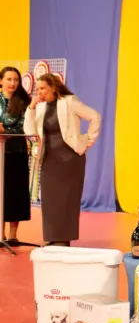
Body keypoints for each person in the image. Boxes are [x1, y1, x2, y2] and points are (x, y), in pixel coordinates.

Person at [24, 73, 101, 246]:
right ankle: (52, 237)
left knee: (67, 200)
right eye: (37, 89)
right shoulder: (40, 107)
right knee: (50, 201)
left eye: (43, 88)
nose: (39, 92)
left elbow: (95, 117)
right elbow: (29, 131)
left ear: (53, 87)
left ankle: (64, 239)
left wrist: (87, 141)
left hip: (70, 160)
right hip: (49, 159)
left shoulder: (69, 101)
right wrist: (31, 107)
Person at [0, 67, 32, 245]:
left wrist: (5, 130)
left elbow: (24, 126)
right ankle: (0, 234)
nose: (13, 83)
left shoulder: (24, 101)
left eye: (16, 80)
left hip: (16, 151)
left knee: (15, 192)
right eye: (9, 79)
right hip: (0, 152)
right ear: (1, 81)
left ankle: (13, 235)